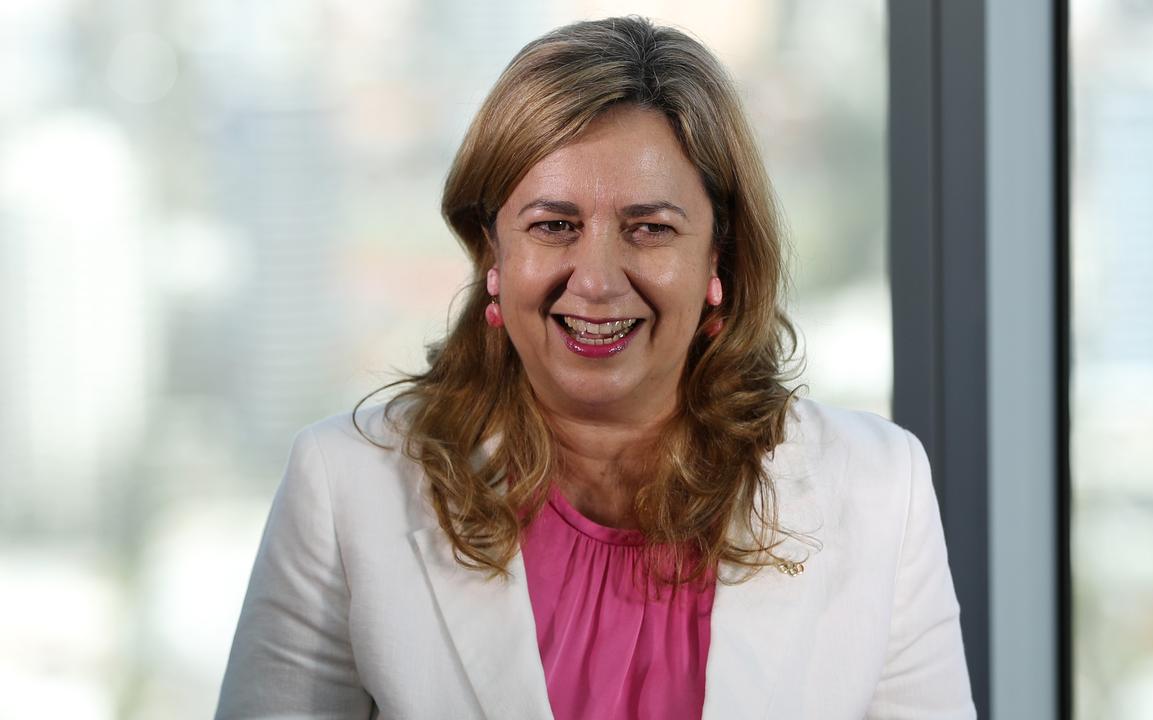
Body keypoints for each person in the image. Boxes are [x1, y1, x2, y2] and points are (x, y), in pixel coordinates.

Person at [215, 15, 975, 720]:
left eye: (648, 228)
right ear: (493, 254)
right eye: (554, 226)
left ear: (719, 253)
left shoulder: (880, 491)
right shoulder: (346, 486)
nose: (597, 279)